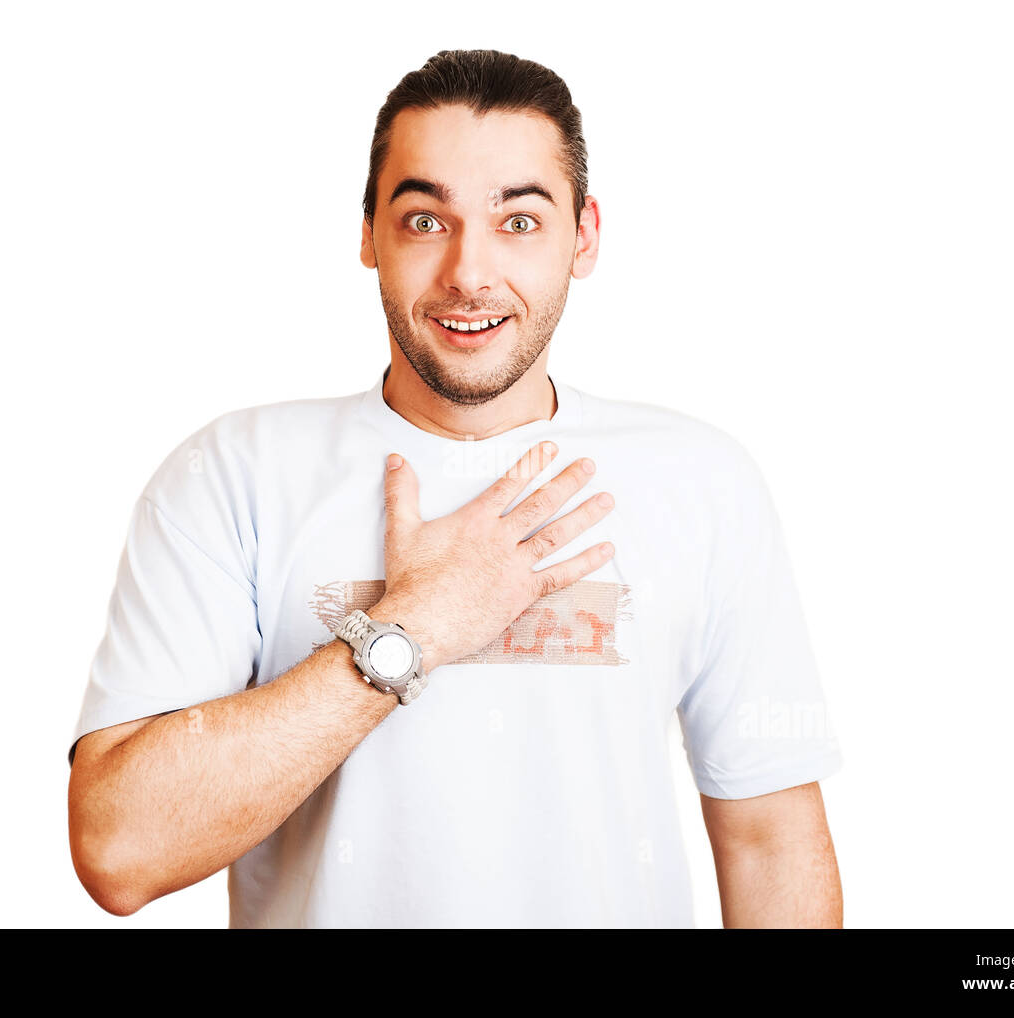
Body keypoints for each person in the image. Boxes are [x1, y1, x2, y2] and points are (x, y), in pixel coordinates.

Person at [67, 48, 844, 929]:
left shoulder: (705, 482)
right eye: (426, 220)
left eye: (518, 220)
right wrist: (415, 627)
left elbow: (770, 843)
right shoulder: (231, 476)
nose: (470, 273)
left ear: (583, 235)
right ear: (367, 233)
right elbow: (118, 851)